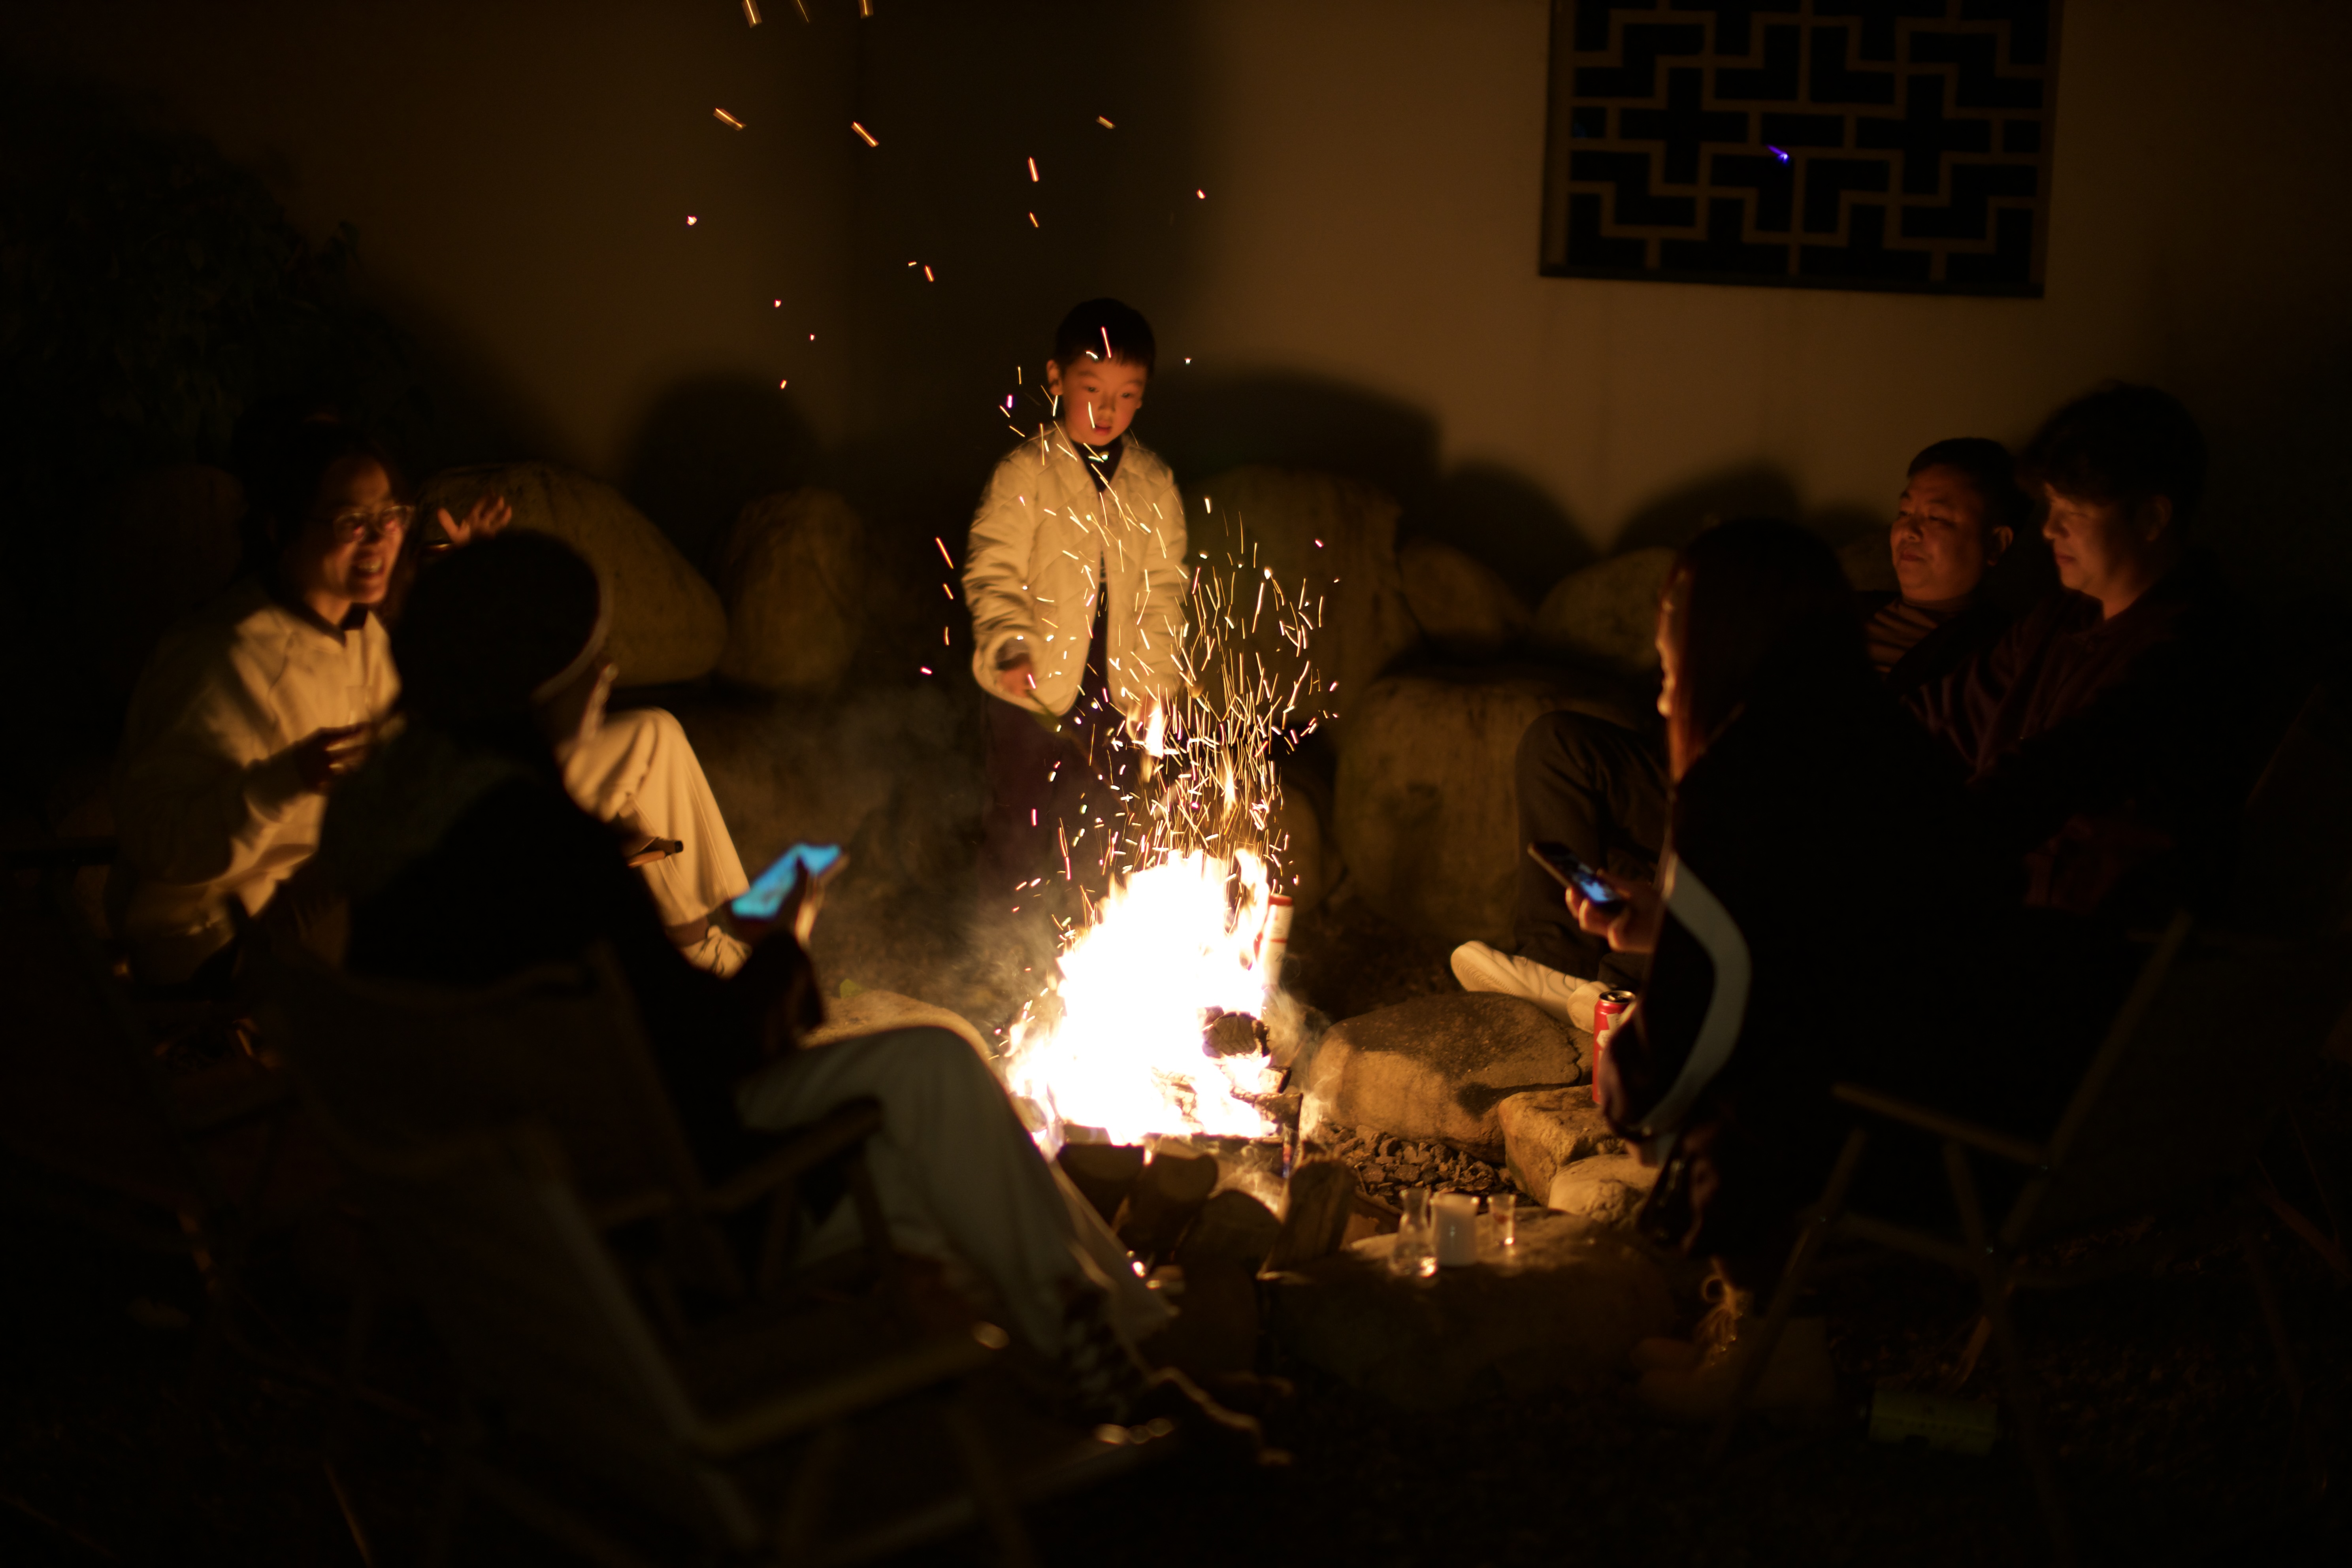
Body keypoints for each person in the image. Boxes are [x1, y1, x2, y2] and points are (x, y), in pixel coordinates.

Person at [319, 532, 1227, 1427]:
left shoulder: (392, 830)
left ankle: (1118, 1351)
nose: (608, 673)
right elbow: (712, 1052)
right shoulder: (550, 849)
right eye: (591, 656)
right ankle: (1125, 1363)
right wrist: (783, 939)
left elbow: (640, 1035)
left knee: (933, 1105)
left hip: (525, 1214)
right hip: (680, 1215)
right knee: (937, 1090)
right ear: (538, 680)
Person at [1564, 520, 2011, 1418]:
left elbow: (1709, 1009)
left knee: (1709, 1084)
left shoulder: (1741, 778)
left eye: (1673, 613)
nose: (1659, 639)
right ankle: (1758, 1327)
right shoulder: (1878, 738)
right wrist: (1671, 928)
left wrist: (1630, 1086)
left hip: (1875, 1126)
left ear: (1719, 635)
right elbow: (1819, 934)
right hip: (1970, 1080)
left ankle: (1780, 1347)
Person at [1453, 437, 2031, 1014]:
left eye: (1938, 518)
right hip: (1733, 776)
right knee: (1560, 745)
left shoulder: (1992, 656)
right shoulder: (1847, 610)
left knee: (1726, 772)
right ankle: (1556, 966)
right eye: (1905, 511)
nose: (1910, 531)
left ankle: (1629, 989)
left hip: (1812, 820)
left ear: (1997, 543)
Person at [1906, 384, 2263, 923]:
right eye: (2052, 505)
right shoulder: (2060, 618)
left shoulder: (2200, 647)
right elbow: (1941, 716)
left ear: (2151, 519)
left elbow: (2061, 769)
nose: (2050, 529)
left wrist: (1927, 847)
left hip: (2101, 937)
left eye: (2073, 510)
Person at [410, 477, 753, 974]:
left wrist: (472, 571)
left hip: (483, 765)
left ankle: (702, 938)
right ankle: (699, 951)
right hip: (461, 787)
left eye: (389, 517)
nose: (606, 671)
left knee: (652, 735)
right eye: (586, 659)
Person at [108, 422, 410, 986]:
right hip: (208, 937)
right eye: (351, 522)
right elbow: (154, 834)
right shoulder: (224, 656)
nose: (377, 539)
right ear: (281, 529)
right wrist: (287, 779)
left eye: (389, 516)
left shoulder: (363, 636)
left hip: (299, 905)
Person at [963, 298, 1188, 903]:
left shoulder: (1154, 484)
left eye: (1126, 395)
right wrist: (1010, 645)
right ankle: (998, 943)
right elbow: (993, 568)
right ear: (1057, 379)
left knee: (1104, 833)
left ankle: (1087, 938)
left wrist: (1157, 682)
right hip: (1031, 694)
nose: (1107, 410)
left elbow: (1165, 591)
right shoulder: (1026, 474)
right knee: (1016, 827)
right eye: (1092, 390)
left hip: (1117, 699)